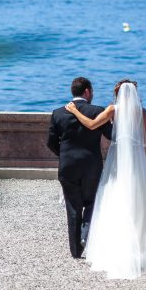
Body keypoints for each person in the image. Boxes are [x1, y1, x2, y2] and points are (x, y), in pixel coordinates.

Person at [64, 80, 146, 279]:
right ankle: (143, 249)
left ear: (118, 94)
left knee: (115, 196)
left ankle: (115, 247)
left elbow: (92, 124)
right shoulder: (142, 112)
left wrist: (75, 111)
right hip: (138, 160)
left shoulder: (113, 109)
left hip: (118, 159)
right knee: (138, 200)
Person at [46, 76, 111, 258]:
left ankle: (76, 251)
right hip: (92, 165)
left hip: (68, 167)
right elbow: (111, 135)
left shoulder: (58, 113)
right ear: (87, 92)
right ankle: (86, 234)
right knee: (92, 202)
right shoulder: (97, 111)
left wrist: (64, 155)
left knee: (73, 208)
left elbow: (50, 142)